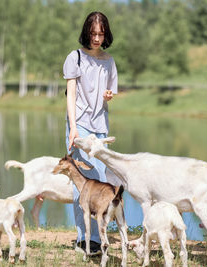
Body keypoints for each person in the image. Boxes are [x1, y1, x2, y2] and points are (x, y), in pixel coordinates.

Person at [63, 11, 118, 255]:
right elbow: (71, 94)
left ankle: (97, 235)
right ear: (87, 32)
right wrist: (73, 127)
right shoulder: (74, 58)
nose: (96, 38)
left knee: (101, 180)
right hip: (80, 125)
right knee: (82, 182)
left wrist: (109, 96)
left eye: (101, 33)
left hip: (100, 127)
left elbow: (109, 93)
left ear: (105, 34)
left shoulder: (109, 61)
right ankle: (85, 238)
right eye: (93, 33)